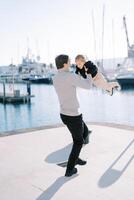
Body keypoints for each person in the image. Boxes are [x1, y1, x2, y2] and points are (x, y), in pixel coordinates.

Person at [53, 54, 119, 177]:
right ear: (65, 64)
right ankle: (69, 170)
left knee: (84, 133)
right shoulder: (69, 76)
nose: (71, 62)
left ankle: (76, 158)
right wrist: (88, 73)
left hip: (64, 114)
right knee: (79, 142)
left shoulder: (55, 78)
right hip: (73, 115)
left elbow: (71, 82)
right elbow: (88, 86)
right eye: (69, 61)